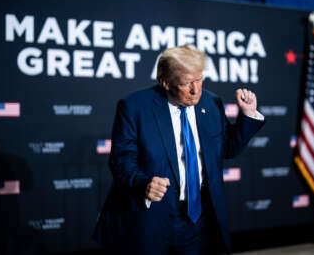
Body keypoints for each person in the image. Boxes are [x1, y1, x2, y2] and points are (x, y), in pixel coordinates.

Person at [93, 45, 265, 255]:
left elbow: (226, 149)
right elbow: (121, 159)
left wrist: (247, 116)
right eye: (186, 83)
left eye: (200, 80)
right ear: (165, 82)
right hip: (152, 217)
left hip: (198, 219)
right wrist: (143, 183)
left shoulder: (211, 103)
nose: (196, 90)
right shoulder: (134, 107)